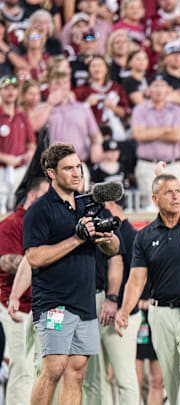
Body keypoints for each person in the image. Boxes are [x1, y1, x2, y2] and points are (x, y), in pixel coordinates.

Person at [23, 143, 120, 405]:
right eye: (69, 168)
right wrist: (76, 239)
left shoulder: (89, 204)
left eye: (79, 166)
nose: (77, 173)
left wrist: (106, 238)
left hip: (85, 304)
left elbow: (115, 248)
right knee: (54, 367)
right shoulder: (40, 210)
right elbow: (33, 257)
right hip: (54, 303)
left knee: (77, 373)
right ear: (51, 173)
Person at [115, 174, 180, 405]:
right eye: (169, 192)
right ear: (155, 198)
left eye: (178, 191)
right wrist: (125, 311)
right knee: (172, 378)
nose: (176, 196)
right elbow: (136, 280)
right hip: (161, 314)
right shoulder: (145, 236)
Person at [0, 177, 48, 405]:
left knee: (44, 367)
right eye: (46, 196)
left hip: (43, 306)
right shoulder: (11, 225)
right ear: (32, 196)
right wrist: (46, 261)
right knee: (23, 367)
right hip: (15, 306)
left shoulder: (45, 223)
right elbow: (5, 262)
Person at [130, 75, 180, 207]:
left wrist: (150, 132)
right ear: (149, 90)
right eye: (155, 85)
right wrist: (165, 130)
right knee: (151, 207)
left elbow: (178, 135)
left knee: (178, 205)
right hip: (148, 165)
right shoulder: (140, 109)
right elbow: (139, 134)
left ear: (168, 90)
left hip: (173, 165)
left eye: (162, 86)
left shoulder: (177, 110)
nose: (159, 89)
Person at [0, 75, 35, 213]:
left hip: (19, 169)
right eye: (6, 88)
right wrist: (5, 158)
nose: (10, 92)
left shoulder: (22, 116)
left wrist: (30, 153)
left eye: (14, 88)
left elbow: (31, 142)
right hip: (2, 169)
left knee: (18, 206)